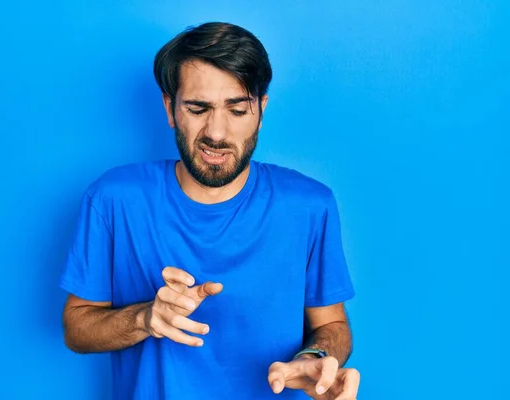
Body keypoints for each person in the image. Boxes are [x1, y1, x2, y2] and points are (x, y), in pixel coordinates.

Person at [59, 21, 360, 400]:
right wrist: (145, 319)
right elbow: (76, 326)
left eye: (237, 110)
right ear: (170, 109)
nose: (216, 132)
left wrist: (316, 356)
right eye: (198, 108)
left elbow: (332, 323)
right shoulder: (113, 199)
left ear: (260, 110)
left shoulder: (309, 205)